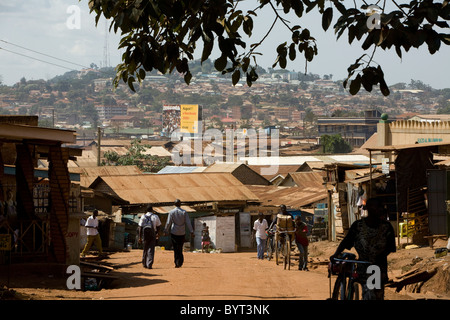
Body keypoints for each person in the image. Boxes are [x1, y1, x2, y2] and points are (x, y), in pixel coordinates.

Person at [329, 197, 396, 300]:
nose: (381, 210)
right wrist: (336, 254)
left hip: (377, 268)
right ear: (370, 209)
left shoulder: (386, 227)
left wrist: (377, 257)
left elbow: (390, 247)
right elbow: (346, 241)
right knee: (367, 293)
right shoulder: (358, 226)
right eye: (378, 208)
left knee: (375, 296)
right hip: (363, 267)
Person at [164, 199, 194, 268]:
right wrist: (191, 231)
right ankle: (180, 261)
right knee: (180, 247)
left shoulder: (171, 212)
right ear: (180, 204)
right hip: (182, 232)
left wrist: (166, 230)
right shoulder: (184, 212)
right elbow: (188, 222)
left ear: (174, 204)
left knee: (175, 248)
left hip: (174, 232)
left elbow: (168, 222)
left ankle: (176, 262)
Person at [138, 205, 161, 269]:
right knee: (151, 249)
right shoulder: (155, 216)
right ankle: (149, 264)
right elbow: (158, 226)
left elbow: (140, 227)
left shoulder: (143, 216)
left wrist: (139, 237)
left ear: (146, 210)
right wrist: (157, 234)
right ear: (152, 210)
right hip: (152, 234)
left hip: (145, 235)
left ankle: (144, 263)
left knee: (145, 248)